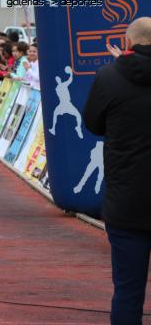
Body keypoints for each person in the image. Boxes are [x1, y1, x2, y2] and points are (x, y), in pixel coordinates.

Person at [83, 16, 151, 325]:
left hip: (127, 201)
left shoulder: (108, 76)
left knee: (127, 290)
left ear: (127, 43)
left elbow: (93, 124)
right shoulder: (111, 75)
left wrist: (116, 72)